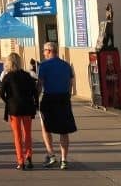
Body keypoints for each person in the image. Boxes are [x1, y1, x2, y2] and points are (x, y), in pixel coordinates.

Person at [37, 42, 77, 170]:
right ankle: (64, 160)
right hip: (64, 98)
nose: (43, 53)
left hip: (49, 97)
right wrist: (68, 95)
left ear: (49, 51)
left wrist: (35, 98)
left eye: (44, 50)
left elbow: (40, 84)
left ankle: (51, 155)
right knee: (63, 130)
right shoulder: (66, 65)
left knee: (45, 126)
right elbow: (71, 83)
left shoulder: (43, 65)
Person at [0, 53, 39, 170]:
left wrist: (8, 101)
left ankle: (20, 161)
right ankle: (29, 157)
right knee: (27, 134)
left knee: (17, 136)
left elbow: (1, 93)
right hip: (27, 107)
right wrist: (36, 104)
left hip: (14, 109)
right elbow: (35, 92)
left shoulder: (8, 76)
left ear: (9, 63)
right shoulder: (27, 76)